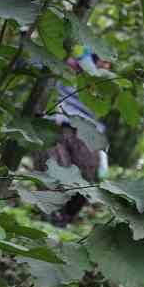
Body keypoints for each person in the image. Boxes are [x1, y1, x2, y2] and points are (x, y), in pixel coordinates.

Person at [31, 53, 109, 226]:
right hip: (53, 122)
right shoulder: (65, 62)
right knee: (53, 171)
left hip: (86, 129)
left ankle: (64, 218)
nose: (107, 66)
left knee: (86, 180)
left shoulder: (101, 81)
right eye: (104, 61)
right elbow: (31, 61)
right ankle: (51, 217)